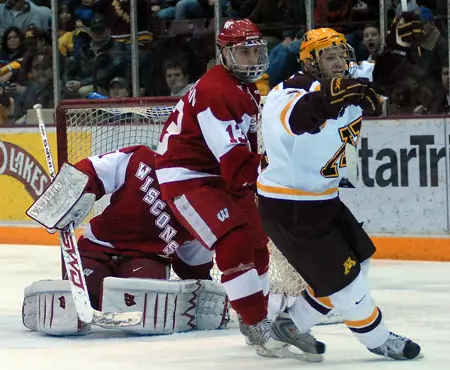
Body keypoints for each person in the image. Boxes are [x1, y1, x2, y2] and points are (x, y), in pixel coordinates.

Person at [257, 12, 425, 361]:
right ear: (311, 61)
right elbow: (301, 117)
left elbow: (385, 76)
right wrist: (330, 100)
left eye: (341, 53)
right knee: (346, 284)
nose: (339, 61)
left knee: (358, 265)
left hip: (324, 199)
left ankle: (288, 326)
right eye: (329, 55)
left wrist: (401, 47)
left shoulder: (352, 77)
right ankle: (378, 339)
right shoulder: (286, 92)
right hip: (290, 207)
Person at [154, 18, 322, 361]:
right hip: (186, 176)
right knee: (233, 240)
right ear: (224, 54)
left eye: (256, 50)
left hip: (221, 174)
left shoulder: (247, 89)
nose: (252, 58)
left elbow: (240, 157)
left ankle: (254, 318)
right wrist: (280, 174)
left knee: (259, 239)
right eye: (243, 52)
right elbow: (233, 160)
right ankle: (256, 321)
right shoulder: (216, 91)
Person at [24, 145, 229, 337]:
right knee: (86, 294)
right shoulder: (140, 159)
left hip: (147, 259)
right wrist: (68, 196)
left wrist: (200, 292)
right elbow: (92, 171)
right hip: (97, 248)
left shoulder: (203, 207)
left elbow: (192, 268)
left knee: (139, 298)